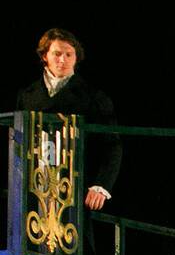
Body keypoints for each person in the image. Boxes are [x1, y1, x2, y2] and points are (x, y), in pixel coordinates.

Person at [16, 29, 121, 211]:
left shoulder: (94, 98)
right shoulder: (27, 96)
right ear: (44, 56)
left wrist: (101, 186)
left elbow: (112, 145)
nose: (63, 60)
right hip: (34, 188)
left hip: (75, 190)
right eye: (57, 54)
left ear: (76, 58)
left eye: (68, 54)